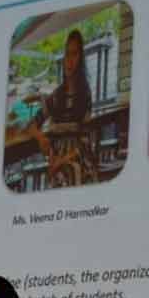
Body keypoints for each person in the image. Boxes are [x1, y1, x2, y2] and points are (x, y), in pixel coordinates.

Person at [22, 29, 98, 188]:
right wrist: (41, 138)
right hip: (57, 161)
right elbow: (31, 125)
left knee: (72, 173)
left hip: (77, 158)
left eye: (74, 54)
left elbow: (85, 141)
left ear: (81, 59)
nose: (69, 60)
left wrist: (60, 161)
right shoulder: (56, 97)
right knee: (64, 176)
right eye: (67, 54)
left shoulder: (85, 95)